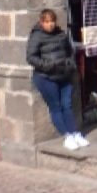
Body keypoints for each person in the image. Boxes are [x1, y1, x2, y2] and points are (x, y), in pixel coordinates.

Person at [27, 8, 85, 151]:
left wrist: (70, 64)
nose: (50, 24)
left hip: (64, 75)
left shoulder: (61, 34)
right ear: (42, 22)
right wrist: (48, 66)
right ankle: (67, 136)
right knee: (56, 107)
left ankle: (75, 133)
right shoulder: (37, 36)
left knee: (67, 105)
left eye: (52, 21)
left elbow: (70, 51)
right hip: (46, 78)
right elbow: (31, 57)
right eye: (47, 22)